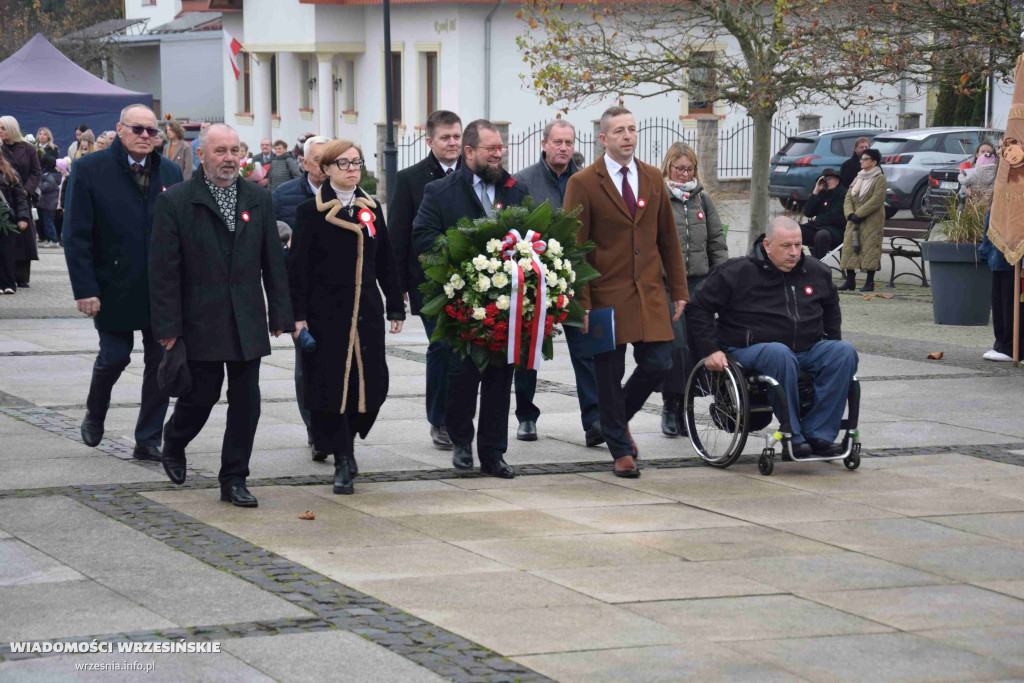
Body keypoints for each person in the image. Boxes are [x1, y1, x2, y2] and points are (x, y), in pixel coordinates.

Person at [150, 123, 292, 508]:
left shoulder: (258, 198)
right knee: (201, 396)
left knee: (247, 401)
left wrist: (281, 312)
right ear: (201, 155)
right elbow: (163, 271)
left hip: (246, 316)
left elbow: (272, 261)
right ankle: (175, 440)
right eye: (220, 151)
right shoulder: (177, 201)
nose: (229, 159)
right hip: (200, 318)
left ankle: (234, 478)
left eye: (235, 151)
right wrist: (168, 328)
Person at [564, 106, 689, 478]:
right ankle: (620, 449)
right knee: (608, 373)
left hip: (649, 293)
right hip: (604, 296)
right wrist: (580, 302)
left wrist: (679, 290)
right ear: (603, 138)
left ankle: (613, 420)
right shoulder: (583, 182)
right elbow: (575, 246)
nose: (628, 136)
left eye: (632, 129)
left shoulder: (652, 177)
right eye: (619, 131)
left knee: (660, 363)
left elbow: (668, 237)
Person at [63, 104, 184, 461]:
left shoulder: (171, 171)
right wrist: (85, 290)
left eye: (152, 130)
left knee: (161, 362)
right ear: (120, 129)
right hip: (112, 285)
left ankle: (148, 439)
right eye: (138, 129)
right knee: (114, 357)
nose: (146, 136)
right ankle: (95, 412)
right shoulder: (89, 169)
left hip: (161, 289)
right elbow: (76, 235)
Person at [412, 119, 529, 478]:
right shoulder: (440, 191)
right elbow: (423, 238)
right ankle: (461, 442)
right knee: (461, 377)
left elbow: (532, 235)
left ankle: (494, 453)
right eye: (490, 149)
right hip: (462, 302)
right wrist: (466, 256)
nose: (498, 155)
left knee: (499, 380)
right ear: (468, 152)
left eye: (500, 149)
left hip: (505, 304)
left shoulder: (514, 189)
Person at [687, 216, 857, 456]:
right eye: (786, 246)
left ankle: (819, 433)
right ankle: (793, 437)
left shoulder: (816, 271)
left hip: (806, 348)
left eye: (798, 245)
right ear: (767, 245)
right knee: (779, 352)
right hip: (749, 349)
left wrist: (831, 339)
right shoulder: (737, 272)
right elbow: (698, 308)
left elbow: (831, 311)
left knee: (843, 351)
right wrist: (711, 350)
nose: (794, 252)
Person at [290, 140, 405, 494]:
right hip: (327, 315)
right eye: (343, 163)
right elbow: (297, 270)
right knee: (332, 388)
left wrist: (395, 305)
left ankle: (350, 438)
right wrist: (298, 317)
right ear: (325, 169)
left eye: (357, 162)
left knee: (372, 385)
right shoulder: (310, 211)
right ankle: (342, 456)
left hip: (366, 311)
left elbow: (386, 257)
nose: (352, 168)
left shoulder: (371, 208)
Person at [513, 119, 604, 447]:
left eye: (569, 142)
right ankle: (526, 415)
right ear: (544, 144)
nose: (564, 148)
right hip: (537, 279)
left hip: (577, 277)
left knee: (585, 349)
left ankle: (593, 419)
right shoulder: (523, 181)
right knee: (528, 350)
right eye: (558, 142)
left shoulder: (586, 180)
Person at [390, 110, 462, 450]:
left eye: (457, 137)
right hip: (429, 281)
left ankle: (461, 414)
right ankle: (440, 420)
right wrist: (398, 287)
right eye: (446, 138)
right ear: (431, 141)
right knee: (442, 346)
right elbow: (399, 236)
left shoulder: (474, 175)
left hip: (471, 279)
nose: (453, 143)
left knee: (463, 350)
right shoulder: (410, 179)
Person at [657, 141, 727, 438]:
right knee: (677, 347)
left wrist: (723, 279)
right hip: (669, 284)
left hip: (700, 283)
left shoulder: (703, 200)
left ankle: (686, 406)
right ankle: (670, 405)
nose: (685, 174)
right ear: (668, 167)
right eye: (679, 168)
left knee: (701, 346)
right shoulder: (658, 197)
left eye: (690, 169)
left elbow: (716, 242)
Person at [272, 134, 329, 460]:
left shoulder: (349, 196)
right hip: (300, 294)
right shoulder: (283, 196)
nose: (323, 166)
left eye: (328, 158)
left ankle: (333, 425)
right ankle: (314, 430)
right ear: (304, 163)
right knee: (306, 362)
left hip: (335, 293)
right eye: (317, 160)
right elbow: (270, 244)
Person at [0, 116, 41, 289]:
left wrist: (26, 190)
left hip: (22, 196)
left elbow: (36, 172)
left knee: (24, 237)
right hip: (5, 196)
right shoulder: (0, 148)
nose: (0, 131)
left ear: (12, 129)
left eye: (3, 128)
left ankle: (22, 275)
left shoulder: (28, 148)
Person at [839, 147, 886, 292]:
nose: (862, 161)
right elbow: (848, 197)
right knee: (849, 247)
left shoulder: (880, 178)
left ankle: (869, 282)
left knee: (870, 247)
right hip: (854, 219)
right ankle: (850, 281)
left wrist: (859, 213)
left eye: (866, 159)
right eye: (862, 159)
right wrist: (850, 214)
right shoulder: (858, 177)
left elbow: (876, 200)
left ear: (874, 162)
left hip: (871, 219)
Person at [979, 211, 1023, 362]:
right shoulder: (1001, 193)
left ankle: (1011, 346)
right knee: (999, 300)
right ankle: (1002, 344)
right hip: (999, 252)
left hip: (1013, 253)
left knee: (1009, 300)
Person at [0, 153, 31, 294]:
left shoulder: (10, 173)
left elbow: (20, 198)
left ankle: (9, 284)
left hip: (8, 221)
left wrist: (23, 218)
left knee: (8, 253)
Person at [801, 168, 848, 259]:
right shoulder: (822, 193)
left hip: (836, 231)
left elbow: (836, 216)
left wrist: (816, 219)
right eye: (824, 180)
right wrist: (816, 191)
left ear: (837, 181)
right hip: (818, 228)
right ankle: (797, 263)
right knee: (795, 231)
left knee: (822, 235)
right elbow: (808, 212)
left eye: (829, 179)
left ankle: (817, 265)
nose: (827, 182)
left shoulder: (843, 194)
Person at [36, 156, 61, 247]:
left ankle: (54, 241)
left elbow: (44, 188)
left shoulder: (50, 177)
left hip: (48, 203)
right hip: (47, 203)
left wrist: (38, 181)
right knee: (47, 222)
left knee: (48, 223)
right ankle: (49, 239)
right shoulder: (50, 175)